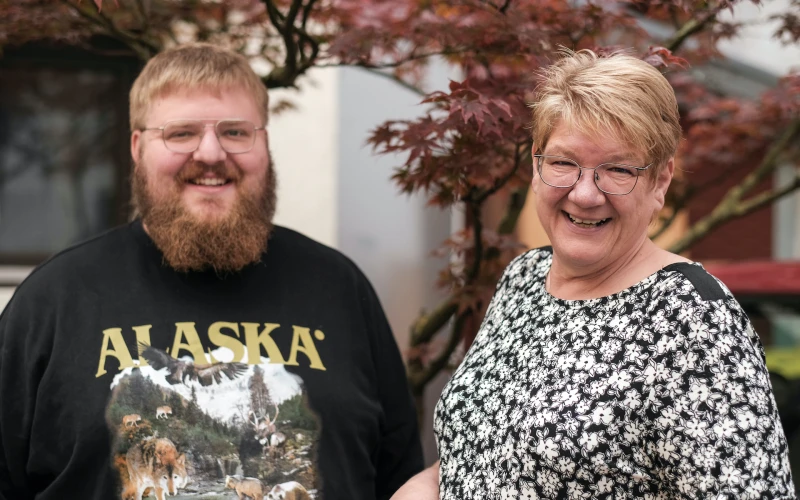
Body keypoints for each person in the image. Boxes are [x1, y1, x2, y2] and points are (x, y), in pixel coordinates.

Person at [0, 43, 423, 500]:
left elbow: (399, 481)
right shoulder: (56, 299)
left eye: (236, 132)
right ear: (138, 148)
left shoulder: (340, 290)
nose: (210, 152)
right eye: (180, 133)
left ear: (264, 144)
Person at [394, 49, 795, 499]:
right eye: (564, 163)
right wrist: (424, 486)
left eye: (618, 170)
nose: (585, 194)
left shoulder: (692, 320)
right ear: (536, 164)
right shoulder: (524, 278)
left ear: (660, 182)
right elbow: (480, 456)